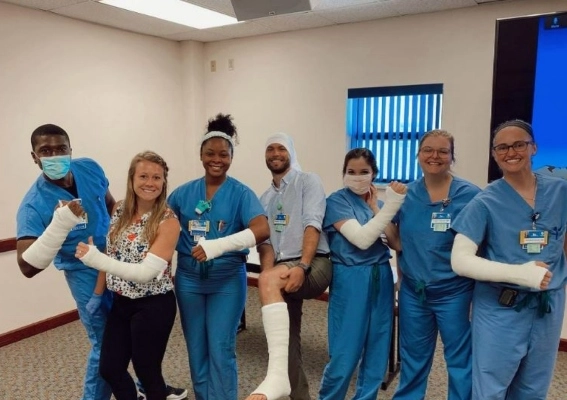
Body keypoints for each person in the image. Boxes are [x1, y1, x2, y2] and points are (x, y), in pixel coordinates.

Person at [15, 124, 187, 400]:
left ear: (71, 150)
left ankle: (147, 382)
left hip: (122, 272)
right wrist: (63, 228)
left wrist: (126, 238)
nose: (54, 155)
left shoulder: (91, 170)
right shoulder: (34, 204)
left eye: (61, 149)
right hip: (85, 271)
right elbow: (26, 266)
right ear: (34, 157)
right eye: (45, 151)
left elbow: (111, 215)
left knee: (142, 353)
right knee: (106, 348)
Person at [451, 120, 567, 400]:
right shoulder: (485, 201)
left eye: (519, 144)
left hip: (547, 307)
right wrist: (521, 274)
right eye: (502, 147)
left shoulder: (559, 191)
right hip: (501, 309)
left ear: (534, 148)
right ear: (494, 154)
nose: (511, 151)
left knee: (533, 387)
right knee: (491, 388)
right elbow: (460, 260)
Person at [167, 113, 270, 400]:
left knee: (221, 347)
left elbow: (261, 229)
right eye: (210, 153)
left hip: (227, 282)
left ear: (231, 157)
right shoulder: (182, 194)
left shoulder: (241, 193)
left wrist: (219, 246)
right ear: (201, 155)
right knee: (197, 347)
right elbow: (160, 227)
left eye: (223, 154)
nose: (217, 159)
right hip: (188, 281)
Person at [75, 151, 180, 400]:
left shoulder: (168, 221)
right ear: (132, 179)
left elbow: (145, 274)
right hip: (121, 302)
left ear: (164, 182)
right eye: (143, 176)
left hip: (154, 304)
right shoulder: (120, 208)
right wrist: (98, 294)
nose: (150, 183)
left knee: (147, 371)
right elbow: (110, 254)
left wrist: (94, 258)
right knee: (110, 369)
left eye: (157, 177)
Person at [389, 130, 480, 400]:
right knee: (413, 359)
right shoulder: (406, 195)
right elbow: (398, 243)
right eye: (428, 150)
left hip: (454, 293)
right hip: (414, 294)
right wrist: (376, 209)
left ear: (452, 157)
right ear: (418, 155)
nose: (435, 156)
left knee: (460, 361)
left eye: (443, 151)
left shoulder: (470, 195)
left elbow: (482, 245)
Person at [246, 133, 333, 400]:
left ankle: (275, 380)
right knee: (285, 343)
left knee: (281, 336)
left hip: (314, 262)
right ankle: (298, 395)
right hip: (282, 268)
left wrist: (303, 266)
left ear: (291, 152)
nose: (275, 154)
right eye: (269, 149)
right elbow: (267, 245)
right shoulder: (264, 198)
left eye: (281, 148)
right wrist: (268, 276)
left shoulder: (308, 181)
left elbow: (312, 223)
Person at [318, 148, 406, 400]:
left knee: (377, 351)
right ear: (343, 174)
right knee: (345, 354)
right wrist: (390, 205)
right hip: (351, 279)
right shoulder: (336, 202)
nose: (357, 177)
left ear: (374, 174)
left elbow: (396, 243)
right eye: (351, 172)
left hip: (381, 277)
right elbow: (363, 239)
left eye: (364, 172)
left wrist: (379, 208)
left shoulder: (378, 205)